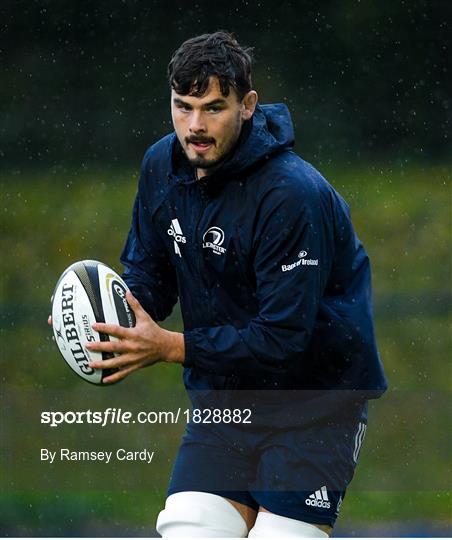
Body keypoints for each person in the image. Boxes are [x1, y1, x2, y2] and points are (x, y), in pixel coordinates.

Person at [84, 31, 387, 537]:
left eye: (214, 108)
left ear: (247, 106)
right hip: (225, 403)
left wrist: (170, 347)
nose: (195, 126)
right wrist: (101, 316)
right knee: (190, 529)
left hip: (314, 408)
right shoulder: (161, 166)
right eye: (183, 107)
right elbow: (150, 278)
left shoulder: (291, 195)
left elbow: (284, 337)